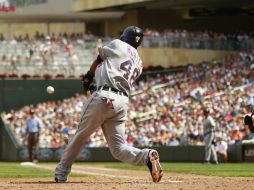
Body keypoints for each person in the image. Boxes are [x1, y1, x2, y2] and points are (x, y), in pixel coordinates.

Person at [55, 26, 163, 183]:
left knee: (80, 136)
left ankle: (61, 173)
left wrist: (89, 76)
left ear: (124, 36)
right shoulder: (139, 63)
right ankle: (146, 156)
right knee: (118, 149)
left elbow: (99, 59)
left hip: (104, 96)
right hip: (121, 102)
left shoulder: (118, 44)